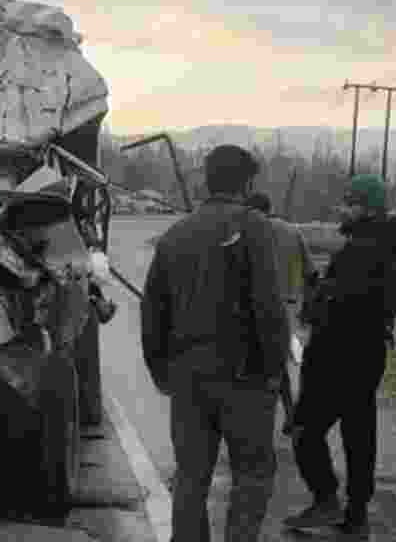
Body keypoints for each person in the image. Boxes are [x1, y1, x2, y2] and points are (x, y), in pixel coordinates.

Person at [141, 144, 291, 542]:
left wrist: (163, 372)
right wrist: (274, 370)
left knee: (191, 476)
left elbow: (153, 313)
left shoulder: (175, 234)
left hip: (188, 378)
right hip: (245, 376)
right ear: (246, 183)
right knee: (252, 474)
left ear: (207, 179)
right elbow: (269, 306)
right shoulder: (253, 225)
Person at [282, 174, 396, 538]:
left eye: (349, 203)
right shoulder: (388, 245)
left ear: (366, 208)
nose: (343, 209)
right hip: (367, 353)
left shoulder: (363, 249)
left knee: (305, 432)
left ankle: (326, 500)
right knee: (359, 436)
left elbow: (339, 305)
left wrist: (316, 299)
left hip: (339, 356)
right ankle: (356, 515)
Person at [246, 191, 315, 434]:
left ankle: (255, 418)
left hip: (255, 308)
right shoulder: (292, 231)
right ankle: (289, 412)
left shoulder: (247, 230)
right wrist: (308, 309)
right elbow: (311, 273)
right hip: (288, 308)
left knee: (253, 363)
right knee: (279, 363)